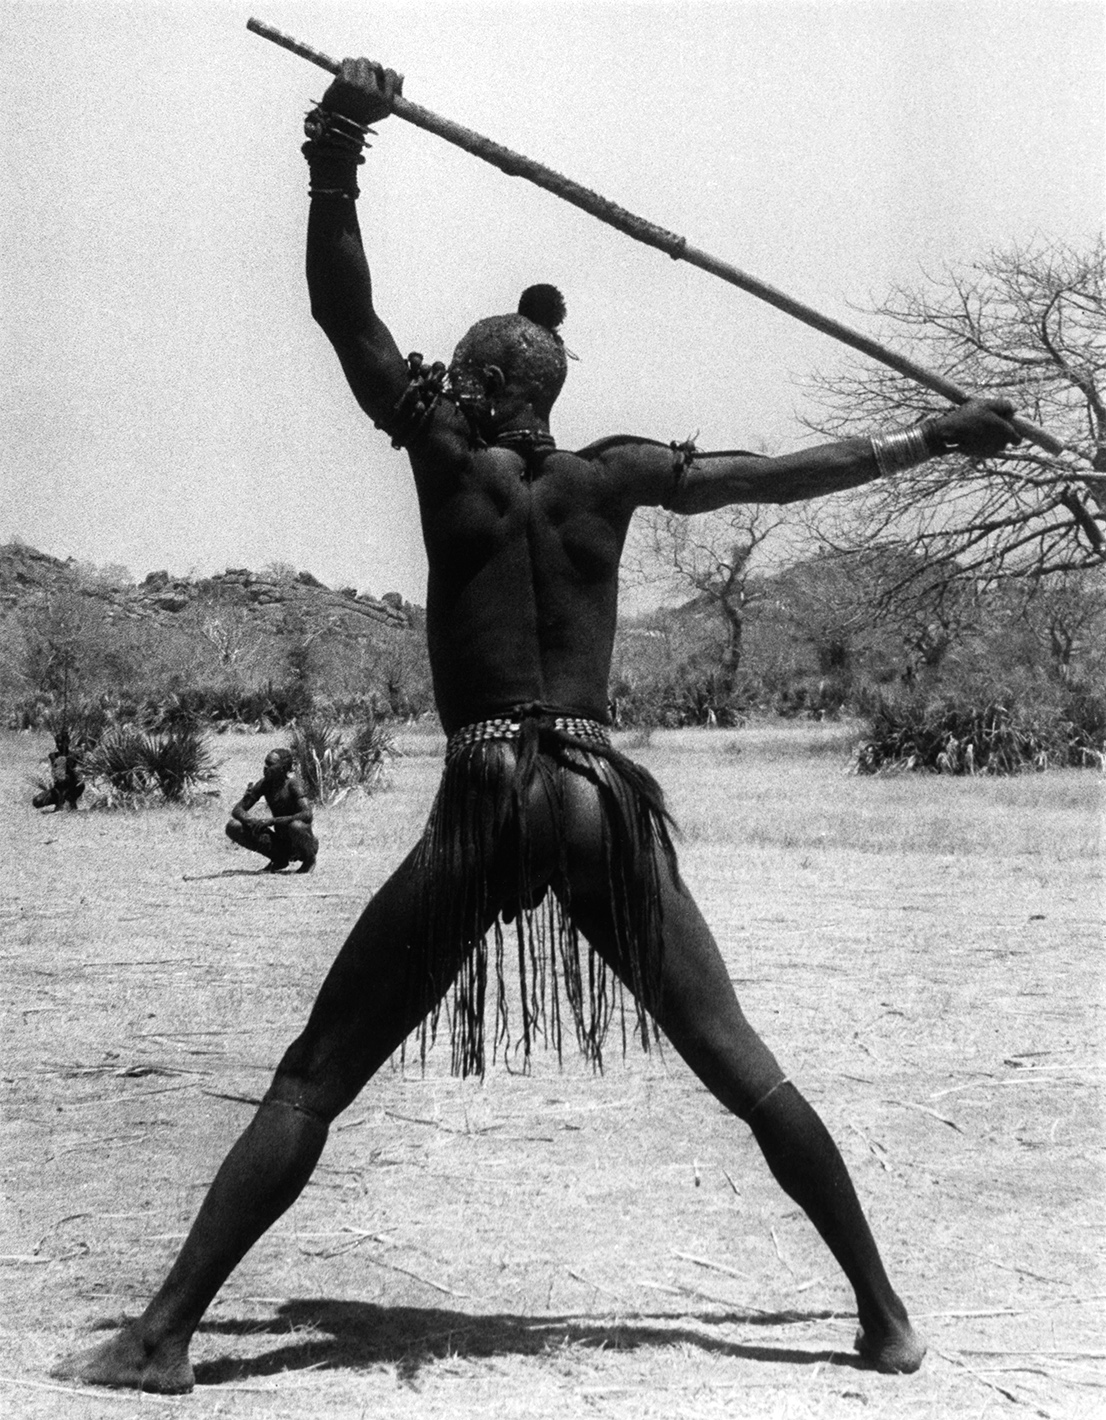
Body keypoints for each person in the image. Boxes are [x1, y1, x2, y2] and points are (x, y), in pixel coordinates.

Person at [53, 60, 1023, 1394]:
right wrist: (934, 436)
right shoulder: (611, 474)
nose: (439, 385)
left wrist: (335, 148)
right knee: (738, 1062)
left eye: (452, 375)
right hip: (592, 786)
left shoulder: (444, 457)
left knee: (313, 1080)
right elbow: (773, 477)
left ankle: (162, 1336)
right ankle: (884, 1316)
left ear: (473, 384)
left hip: (489, 791)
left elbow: (342, 310)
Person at [224, 748, 318, 873]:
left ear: (283, 768)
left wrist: (272, 821)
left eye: (270, 765)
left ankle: (309, 860)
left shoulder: (293, 784)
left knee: (296, 826)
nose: (265, 768)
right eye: (265, 764)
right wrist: (252, 822)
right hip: (280, 841)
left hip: (300, 840)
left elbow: (307, 814)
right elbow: (238, 809)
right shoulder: (264, 784)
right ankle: (279, 859)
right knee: (233, 826)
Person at [32, 729, 84, 812]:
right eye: (58, 743)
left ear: (67, 742)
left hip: (71, 787)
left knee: (77, 787)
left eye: (62, 743)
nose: (59, 745)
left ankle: (69, 803)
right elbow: (59, 770)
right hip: (57, 789)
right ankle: (60, 803)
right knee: (37, 801)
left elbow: (77, 773)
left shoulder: (74, 756)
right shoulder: (53, 756)